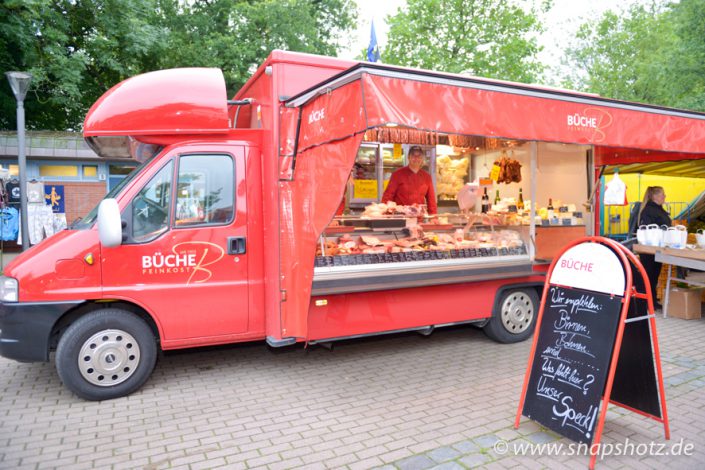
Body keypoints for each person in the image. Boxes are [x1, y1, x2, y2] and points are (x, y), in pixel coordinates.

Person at [638, 186, 671, 309]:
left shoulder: (658, 209)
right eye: (662, 195)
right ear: (655, 196)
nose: (664, 197)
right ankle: (647, 302)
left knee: (653, 275)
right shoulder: (649, 210)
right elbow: (648, 228)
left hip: (657, 248)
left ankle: (651, 300)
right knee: (649, 275)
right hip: (649, 249)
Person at [381, 145, 437, 214]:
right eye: (413, 156)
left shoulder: (427, 177)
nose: (416, 159)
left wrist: (433, 216)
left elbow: (431, 200)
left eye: (419, 156)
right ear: (408, 158)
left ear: (422, 159)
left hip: (419, 218)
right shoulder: (397, 174)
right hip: (401, 218)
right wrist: (384, 214)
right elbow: (388, 196)